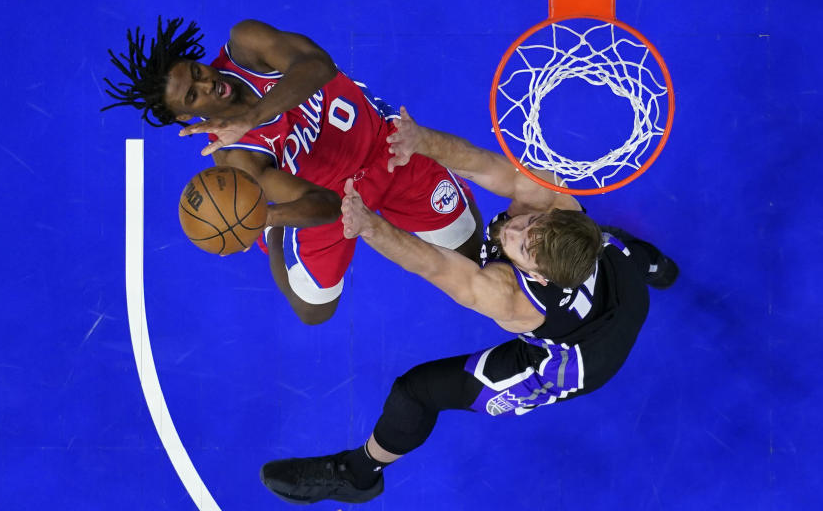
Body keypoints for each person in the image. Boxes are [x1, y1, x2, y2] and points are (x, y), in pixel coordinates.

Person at [258, 107, 678, 504]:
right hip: (624, 282)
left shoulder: (510, 297)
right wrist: (421, 140)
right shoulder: (557, 210)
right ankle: (658, 267)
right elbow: (484, 164)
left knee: (417, 391)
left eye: (523, 247)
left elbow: (434, 264)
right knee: (611, 245)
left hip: (583, 361)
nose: (514, 229)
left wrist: (369, 225)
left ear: (538, 277)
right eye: (531, 224)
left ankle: (358, 473)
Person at [102, 18, 482, 325]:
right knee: (315, 311)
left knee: (469, 246)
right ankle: (275, 230)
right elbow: (328, 205)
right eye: (192, 96)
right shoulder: (239, 160)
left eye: (196, 71)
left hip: (384, 143)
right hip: (330, 196)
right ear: (186, 116)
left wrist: (253, 116)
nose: (207, 84)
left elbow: (318, 66)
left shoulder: (246, 47)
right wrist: (262, 214)